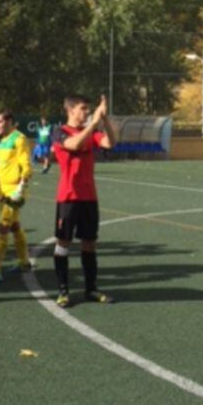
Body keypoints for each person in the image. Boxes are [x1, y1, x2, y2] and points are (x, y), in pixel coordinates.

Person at [51, 93, 116, 307]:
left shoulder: (92, 132)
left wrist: (104, 119)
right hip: (68, 197)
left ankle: (91, 289)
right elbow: (74, 145)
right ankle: (63, 291)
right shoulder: (59, 132)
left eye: (89, 109)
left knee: (89, 243)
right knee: (63, 243)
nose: (87, 112)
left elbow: (111, 142)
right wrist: (93, 124)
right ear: (71, 110)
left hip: (89, 197)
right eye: (83, 108)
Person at [0, 109, 32, 282]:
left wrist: (21, 188)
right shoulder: (3, 141)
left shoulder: (19, 138)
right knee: (14, 226)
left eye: (0, 122)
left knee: (3, 227)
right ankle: (24, 262)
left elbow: (26, 166)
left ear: (9, 121)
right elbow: (3, 167)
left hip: (14, 192)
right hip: (2, 191)